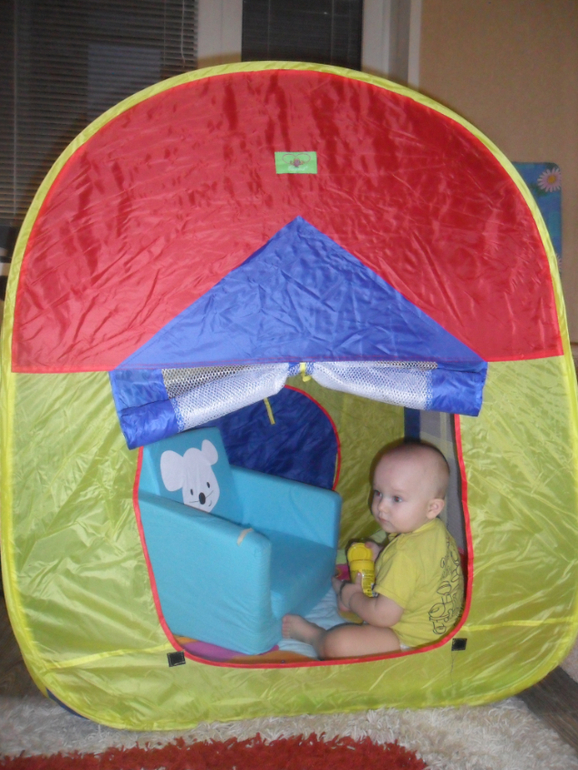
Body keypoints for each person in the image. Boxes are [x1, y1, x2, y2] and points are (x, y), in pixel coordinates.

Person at [282, 442, 464, 659]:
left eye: (396, 498)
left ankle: (314, 636)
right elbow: (420, 570)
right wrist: (381, 553)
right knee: (368, 587)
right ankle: (347, 594)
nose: (381, 506)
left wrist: (355, 598)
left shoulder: (404, 554)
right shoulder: (435, 530)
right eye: (378, 493)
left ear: (432, 508)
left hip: (412, 642)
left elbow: (383, 617)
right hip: (442, 629)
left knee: (338, 645)